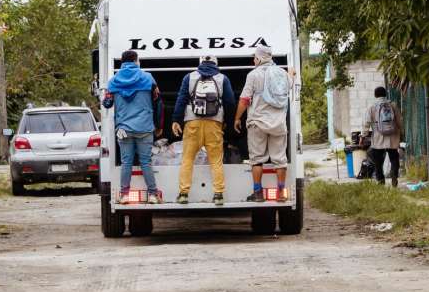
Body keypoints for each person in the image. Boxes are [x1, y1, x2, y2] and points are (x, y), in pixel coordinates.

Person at [172, 55, 236, 206]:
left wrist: (176, 119)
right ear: (216, 63)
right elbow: (230, 102)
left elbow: (181, 99)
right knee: (216, 161)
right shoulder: (223, 78)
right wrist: (227, 122)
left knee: (187, 159)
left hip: (192, 123)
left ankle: (183, 194)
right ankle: (218, 195)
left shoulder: (189, 77)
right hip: (214, 124)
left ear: (200, 63)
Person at [102, 50, 163, 204]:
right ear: (136, 61)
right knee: (145, 162)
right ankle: (153, 195)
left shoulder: (113, 81)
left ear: (122, 62)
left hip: (123, 129)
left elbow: (107, 103)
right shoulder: (148, 78)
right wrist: (158, 124)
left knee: (126, 162)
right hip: (145, 128)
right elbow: (157, 100)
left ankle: (124, 195)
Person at [233, 44, 291, 202]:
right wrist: (292, 73)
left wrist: (237, 118)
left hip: (257, 123)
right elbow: (290, 86)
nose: (253, 60)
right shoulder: (282, 73)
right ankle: (281, 193)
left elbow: (244, 99)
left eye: (254, 57)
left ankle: (258, 193)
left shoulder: (253, 75)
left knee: (257, 159)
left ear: (259, 58)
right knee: (280, 159)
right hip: (278, 124)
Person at [363, 86, 403, 187]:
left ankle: (381, 181)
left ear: (375, 95)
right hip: (392, 136)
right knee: (394, 157)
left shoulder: (372, 107)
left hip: (378, 138)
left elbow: (366, 122)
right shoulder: (393, 105)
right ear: (385, 94)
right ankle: (394, 176)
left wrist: (364, 135)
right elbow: (399, 121)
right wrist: (401, 132)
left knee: (378, 161)